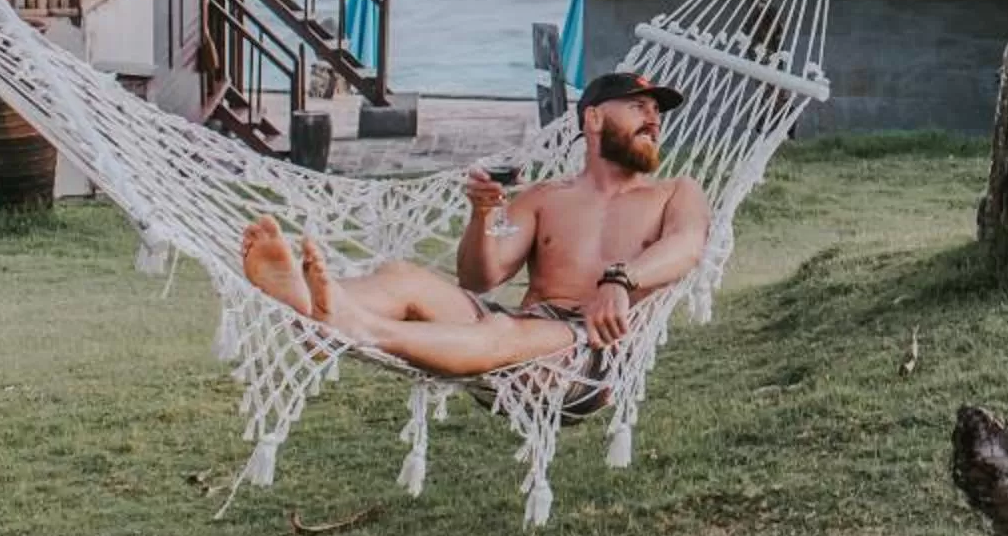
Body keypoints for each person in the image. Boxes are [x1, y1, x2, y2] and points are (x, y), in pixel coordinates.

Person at [237, 71, 712, 389]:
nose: (654, 119)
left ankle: (357, 328)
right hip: (521, 336)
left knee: (503, 331)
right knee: (403, 276)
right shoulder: (544, 196)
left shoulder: (674, 193)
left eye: (656, 112)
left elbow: (687, 246)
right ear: (593, 118)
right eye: (637, 107)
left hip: (590, 357)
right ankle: (309, 305)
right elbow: (481, 279)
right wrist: (483, 218)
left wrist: (620, 280)